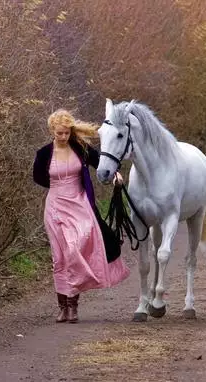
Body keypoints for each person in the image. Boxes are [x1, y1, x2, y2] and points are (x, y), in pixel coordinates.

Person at [32, 109, 130, 323]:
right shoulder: (43, 154)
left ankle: (73, 303)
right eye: (60, 133)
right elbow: (38, 177)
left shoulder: (81, 148)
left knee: (74, 248)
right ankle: (64, 307)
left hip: (79, 204)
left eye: (67, 133)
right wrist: (59, 186)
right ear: (52, 131)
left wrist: (115, 176)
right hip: (55, 206)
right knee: (59, 258)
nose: (64, 137)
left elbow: (102, 163)